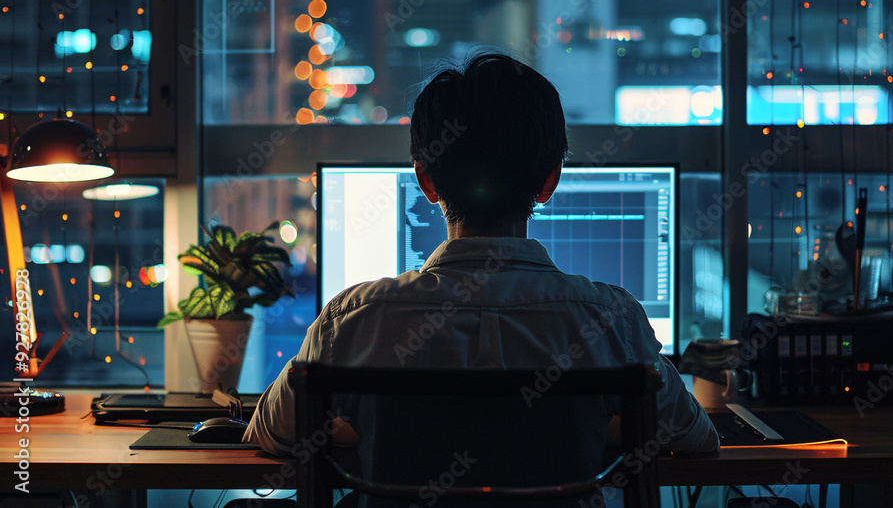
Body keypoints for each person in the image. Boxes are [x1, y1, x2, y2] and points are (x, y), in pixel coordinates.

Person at [244, 50, 719, 498]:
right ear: (550, 180)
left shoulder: (353, 319)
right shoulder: (613, 319)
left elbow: (268, 432)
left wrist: (364, 418)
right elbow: (698, 439)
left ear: (426, 181)